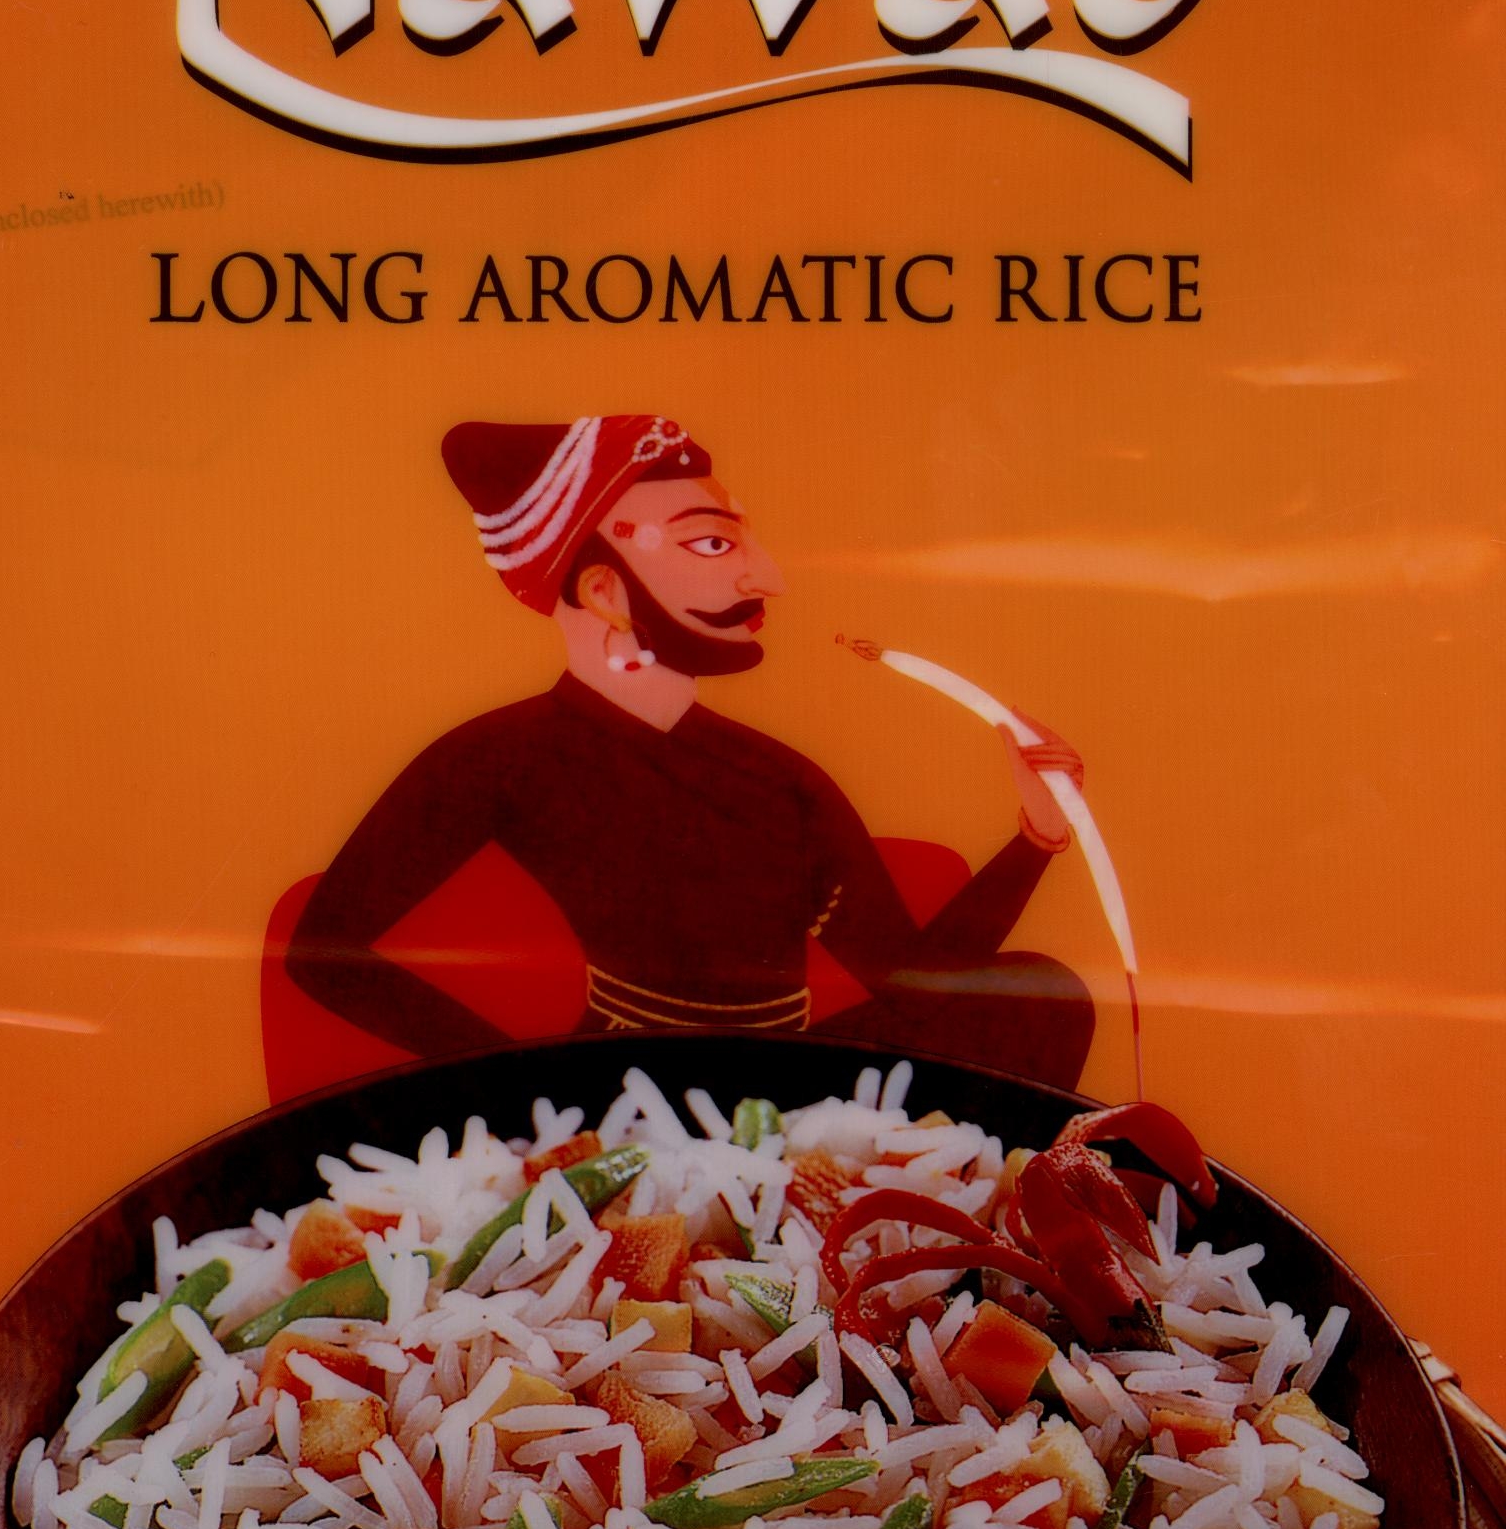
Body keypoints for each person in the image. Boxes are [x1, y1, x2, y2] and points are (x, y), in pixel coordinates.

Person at [288, 413, 1093, 1085]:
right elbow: (326, 952)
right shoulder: (503, 754)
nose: (766, 578)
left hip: (791, 1083)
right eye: (712, 545)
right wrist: (522, 1078)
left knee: (1040, 993)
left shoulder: (782, 776)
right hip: (624, 1089)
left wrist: (1036, 837)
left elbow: (911, 988)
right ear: (603, 590)